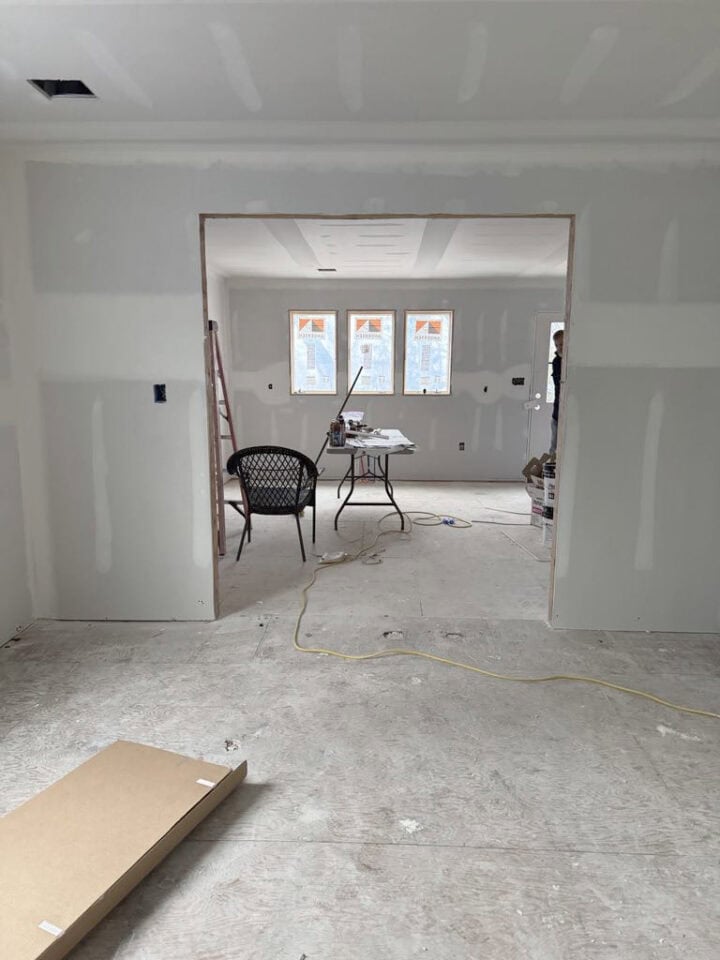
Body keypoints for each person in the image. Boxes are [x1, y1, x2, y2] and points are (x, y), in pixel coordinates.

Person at [550, 329, 563, 455]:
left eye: (562, 344)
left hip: (569, 412)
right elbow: (559, 384)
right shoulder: (556, 362)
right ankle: (552, 472)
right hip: (557, 411)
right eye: (557, 345)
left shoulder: (572, 360)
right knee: (554, 446)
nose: (559, 347)